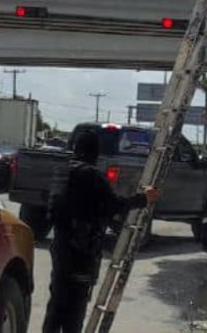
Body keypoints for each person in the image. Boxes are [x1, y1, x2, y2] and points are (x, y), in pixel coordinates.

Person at [42, 130, 160, 332]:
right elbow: (115, 205)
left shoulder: (61, 173)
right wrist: (143, 198)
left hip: (61, 248)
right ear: (95, 152)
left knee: (57, 304)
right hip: (82, 252)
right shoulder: (93, 176)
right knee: (75, 310)